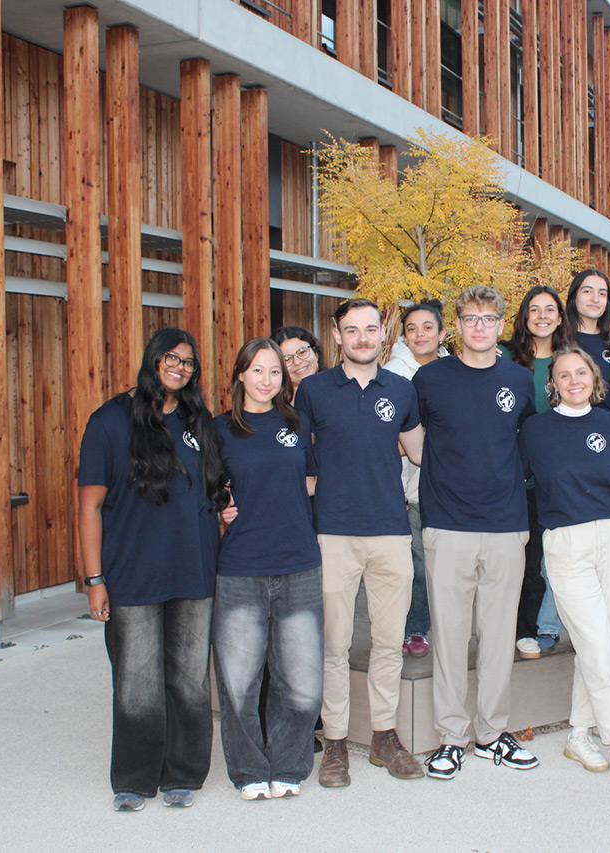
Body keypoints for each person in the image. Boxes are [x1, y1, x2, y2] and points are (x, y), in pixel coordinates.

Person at [78, 328, 228, 811]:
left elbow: (216, 491)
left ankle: (183, 773)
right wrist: (94, 580)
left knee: (189, 679)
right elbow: (89, 506)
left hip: (194, 571)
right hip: (133, 574)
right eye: (171, 358)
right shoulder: (109, 421)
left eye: (188, 362)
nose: (180, 368)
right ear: (152, 359)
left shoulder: (198, 421)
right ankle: (134, 778)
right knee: (136, 682)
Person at [519, 347, 610, 785]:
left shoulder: (609, 425)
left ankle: (579, 734)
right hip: (567, 543)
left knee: (603, 642)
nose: (574, 381)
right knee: (598, 645)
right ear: (553, 384)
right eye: (564, 375)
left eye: (581, 373)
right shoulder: (535, 430)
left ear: (594, 378)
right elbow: (512, 480)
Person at [295, 298, 426, 787]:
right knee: (334, 644)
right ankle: (334, 742)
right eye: (352, 330)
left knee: (389, 643)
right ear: (337, 336)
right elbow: (298, 458)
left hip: (391, 529)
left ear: (382, 334)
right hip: (333, 533)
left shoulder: (402, 389)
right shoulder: (313, 390)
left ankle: (384, 737)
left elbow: (419, 452)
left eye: (371, 329)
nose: (363, 338)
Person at [411, 285, 540, 780]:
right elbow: (413, 441)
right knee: (448, 636)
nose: (479, 326)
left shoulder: (520, 380)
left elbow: (529, 441)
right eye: (470, 318)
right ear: (457, 326)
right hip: (448, 525)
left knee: (498, 635)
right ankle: (451, 737)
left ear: (502, 325)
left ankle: (492, 733)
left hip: (506, 525)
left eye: (488, 318)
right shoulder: (430, 379)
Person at [212, 338, 323, 802]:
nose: (266, 380)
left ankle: (289, 764)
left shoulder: (296, 423)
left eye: (275, 371)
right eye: (257, 370)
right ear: (240, 374)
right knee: (239, 680)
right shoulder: (219, 429)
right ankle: (248, 769)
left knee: (301, 678)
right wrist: (222, 505)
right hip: (242, 566)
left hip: (299, 562)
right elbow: (210, 488)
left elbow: (311, 480)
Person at [500, 285, 574, 659]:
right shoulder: (505, 357)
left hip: (557, 475)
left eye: (549, 309)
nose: (542, 316)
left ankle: (546, 624)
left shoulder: (569, 361)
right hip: (513, 474)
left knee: (551, 558)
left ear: (560, 317)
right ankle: (522, 628)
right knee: (523, 558)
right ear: (524, 316)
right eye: (534, 309)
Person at [382, 299, 448, 659]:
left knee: (444, 563)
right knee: (416, 564)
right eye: (412, 329)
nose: (420, 334)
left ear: (442, 333)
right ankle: (415, 627)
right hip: (410, 485)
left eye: (427, 327)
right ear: (403, 337)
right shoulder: (393, 375)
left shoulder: (455, 369)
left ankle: (443, 625)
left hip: (450, 483)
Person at [565, 269, 610, 396]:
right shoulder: (558, 340)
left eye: (602, 294)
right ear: (574, 296)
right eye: (587, 291)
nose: (595, 299)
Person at [272, 325, 324, 400]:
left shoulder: (338, 393)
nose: (297, 362)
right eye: (287, 359)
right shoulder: (273, 405)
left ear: (316, 353)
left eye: (302, 352)